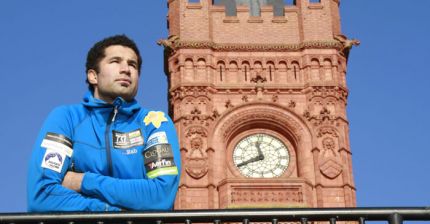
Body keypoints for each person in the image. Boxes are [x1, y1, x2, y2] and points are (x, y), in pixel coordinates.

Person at [27, 35, 181, 212]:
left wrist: (83, 181)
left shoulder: (154, 123)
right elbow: (42, 195)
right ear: (93, 76)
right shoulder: (66, 118)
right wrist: (113, 212)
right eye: (115, 61)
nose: (126, 69)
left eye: (133, 65)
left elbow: (160, 196)